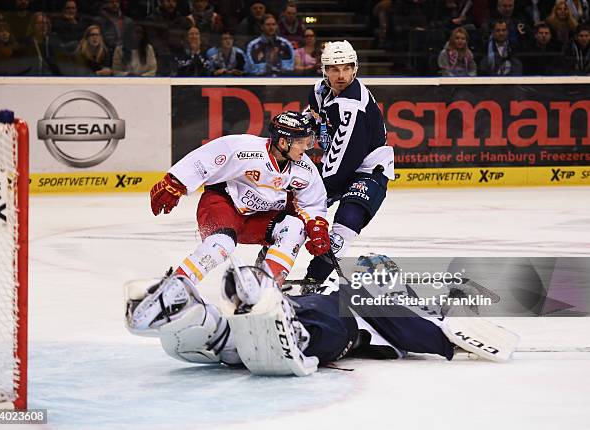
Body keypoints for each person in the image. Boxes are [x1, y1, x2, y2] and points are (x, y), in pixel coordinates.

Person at [125, 254, 519, 376]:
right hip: (330, 318)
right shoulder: (380, 305)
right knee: (324, 333)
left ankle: (192, 317)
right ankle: (290, 331)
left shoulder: (345, 287)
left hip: (299, 303)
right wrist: (451, 335)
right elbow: (428, 332)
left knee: (232, 345)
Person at [129, 111, 331, 332]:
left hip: (257, 220)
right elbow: (205, 158)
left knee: (295, 227)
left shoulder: (304, 168)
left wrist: (317, 225)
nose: (307, 148)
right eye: (302, 143)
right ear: (283, 141)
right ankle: (173, 290)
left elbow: (313, 204)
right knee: (220, 246)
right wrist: (176, 182)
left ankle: (264, 290)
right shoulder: (244, 148)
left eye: (308, 141)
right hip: (222, 205)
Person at [295, 40, 395, 288]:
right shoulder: (320, 91)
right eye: (334, 69)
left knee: (347, 220)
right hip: (338, 163)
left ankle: (314, 278)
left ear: (355, 69)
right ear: (324, 70)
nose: (341, 75)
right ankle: (273, 261)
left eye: (346, 68)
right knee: (294, 211)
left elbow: (343, 160)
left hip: (368, 170)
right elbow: (311, 119)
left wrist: (317, 192)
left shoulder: (350, 106)